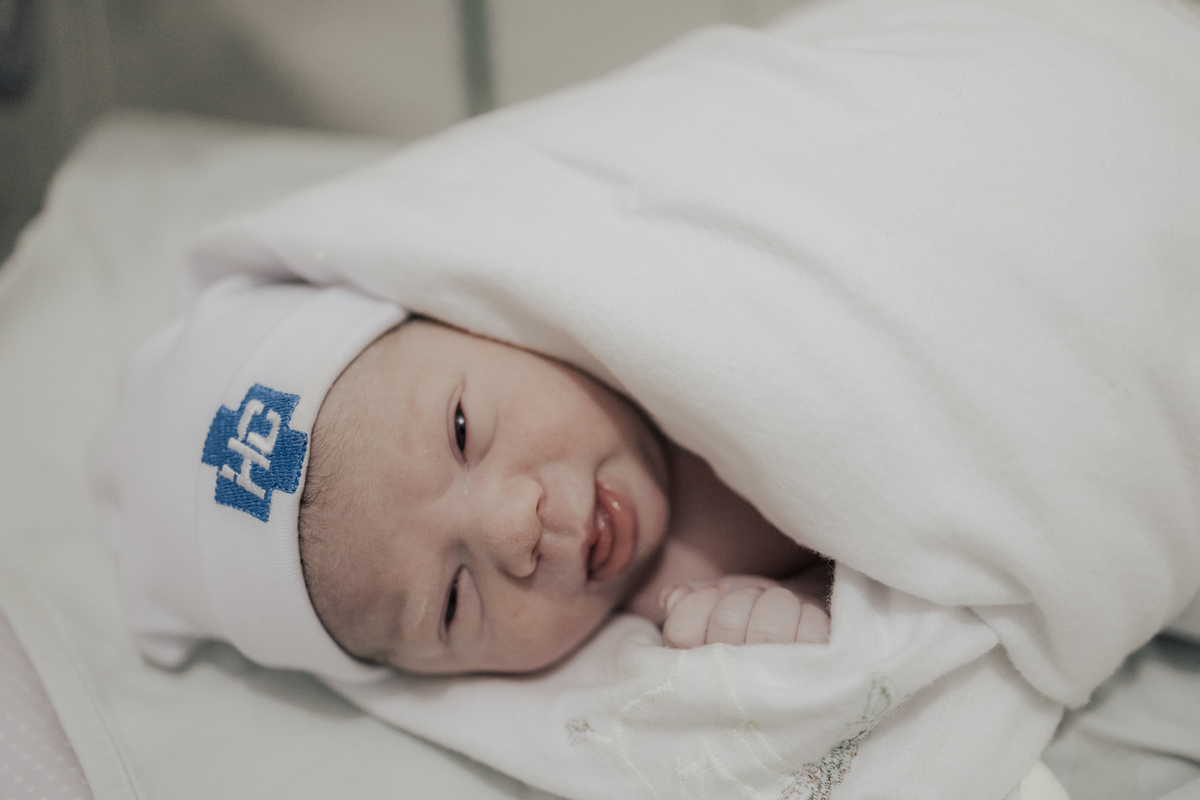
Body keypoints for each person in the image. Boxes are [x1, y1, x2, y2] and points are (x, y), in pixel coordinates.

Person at [297, 317, 832, 675]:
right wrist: (802, 604)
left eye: (462, 431)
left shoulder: (667, 328)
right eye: (453, 602)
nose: (515, 530)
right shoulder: (684, 618)